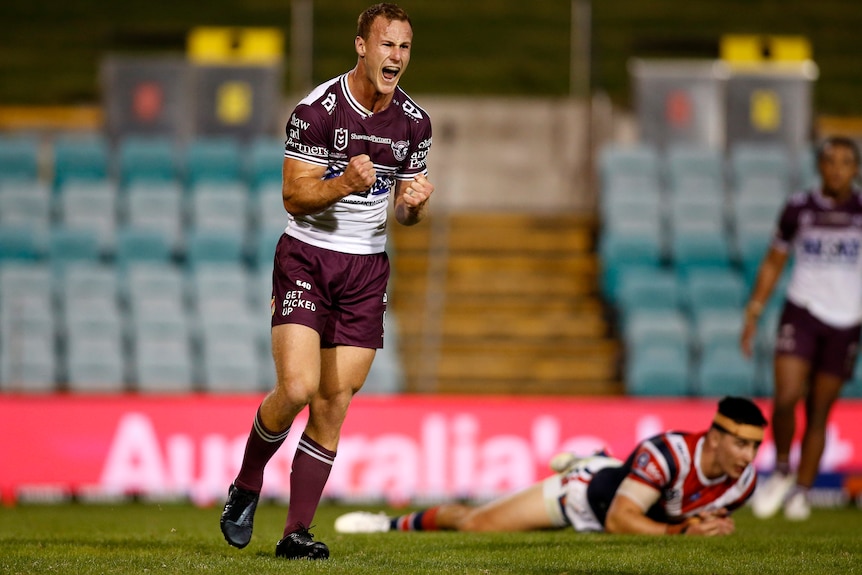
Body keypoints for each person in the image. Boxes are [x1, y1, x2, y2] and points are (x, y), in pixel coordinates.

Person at [219, 3, 434, 560]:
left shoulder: (414, 123)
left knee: (335, 401)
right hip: (308, 258)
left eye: (405, 47)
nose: (397, 57)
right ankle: (245, 485)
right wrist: (343, 182)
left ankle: (295, 534)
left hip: (366, 268)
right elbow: (293, 196)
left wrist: (412, 206)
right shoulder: (316, 111)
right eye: (387, 45)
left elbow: (403, 215)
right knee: (296, 387)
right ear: (361, 46)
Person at [335, 397, 766, 536]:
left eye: (754, 446)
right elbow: (621, 519)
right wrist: (680, 532)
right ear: (714, 438)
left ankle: (595, 462)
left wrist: (712, 525)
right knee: (474, 524)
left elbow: (697, 511)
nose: (748, 457)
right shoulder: (668, 453)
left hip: (619, 489)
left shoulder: (743, 484)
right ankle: (388, 525)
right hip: (581, 497)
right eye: (742, 444)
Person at [740, 135, 862, 521]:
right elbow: (775, 260)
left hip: (846, 319)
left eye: (846, 162)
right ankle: (779, 469)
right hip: (802, 310)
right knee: (787, 395)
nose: (838, 169)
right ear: (820, 167)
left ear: (856, 169)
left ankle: (802, 492)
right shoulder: (798, 208)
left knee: (819, 410)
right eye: (831, 161)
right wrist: (755, 309)